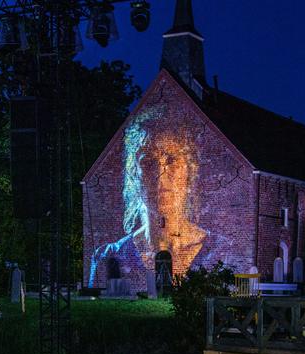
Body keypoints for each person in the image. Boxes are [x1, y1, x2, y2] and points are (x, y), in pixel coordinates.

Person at [88, 111, 234, 290]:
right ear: (134, 174)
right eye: (148, 163)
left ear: (189, 172)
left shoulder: (223, 253)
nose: (160, 176)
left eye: (172, 161)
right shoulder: (109, 256)